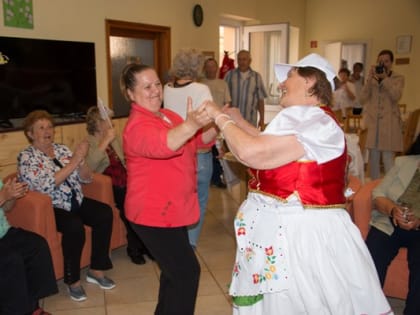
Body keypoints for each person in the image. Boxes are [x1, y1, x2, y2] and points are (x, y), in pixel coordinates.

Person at [203, 53, 392, 314]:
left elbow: (254, 152)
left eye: (289, 76)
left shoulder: (312, 119)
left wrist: (219, 118)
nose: (281, 84)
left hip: (302, 235)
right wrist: (238, 120)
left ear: (310, 81)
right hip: (290, 229)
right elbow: (270, 143)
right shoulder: (314, 119)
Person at [121, 63, 214, 315]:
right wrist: (191, 125)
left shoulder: (168, 116)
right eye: (146, 86)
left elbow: (198, 143)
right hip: (152, 214)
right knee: (186, 273)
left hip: (172, 211)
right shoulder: (136, 126)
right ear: (130, 94)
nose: (154, 91)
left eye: (157, 84)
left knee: (174, 274)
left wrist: (217, 119)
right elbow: (165, 144)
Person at [17, 110, 115, 302]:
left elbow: (86, 179)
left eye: (50, 127)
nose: (48, 131)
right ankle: (73, 281)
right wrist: (75, 161)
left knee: (104, 213)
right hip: (52, 206)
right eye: (41, 128)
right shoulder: (27, 157)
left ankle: (96, 269)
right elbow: (46, 185)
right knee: (74, 226)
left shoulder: (62, 149)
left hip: (75, 199)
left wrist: (81, 163)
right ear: (30, 133)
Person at [163, 48, 218, 248]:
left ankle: (176, 241)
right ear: (198, 67)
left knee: (177, 199)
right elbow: (209, 120)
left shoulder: (166, 88)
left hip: (174, 151)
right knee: (199, 200)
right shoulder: (201, 90)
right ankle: (190, 243)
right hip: (198, 152)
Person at [85, 106, 152, 265]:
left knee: (147, 199)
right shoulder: (89, 142)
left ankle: (146, 245)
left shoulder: (114, 139)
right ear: (98, 123)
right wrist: (106, 141)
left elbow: (126, 158)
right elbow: (90, 167)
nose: (111, 122)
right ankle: (134, 248)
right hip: (109, 184)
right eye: (107, 119)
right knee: (130, 205)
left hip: (124, 179)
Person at [365, 134, 420, 315]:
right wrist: (392, 210)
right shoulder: (404, 162)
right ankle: (370, 310)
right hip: (389, 222)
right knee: (372, 256)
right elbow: (378, 193)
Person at [0, 177, 58, 315]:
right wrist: (2, 196)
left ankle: (32, 307)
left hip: (3, 232)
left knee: (37, 246)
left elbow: (7, 207)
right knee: (11, 259)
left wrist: (12, 196)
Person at [360, 49, 405, 180]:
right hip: (374, 124)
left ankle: (390, 190)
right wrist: (369, 79)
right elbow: (362, 99)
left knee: (388, 160)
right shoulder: (372, 79)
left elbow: (396, 96)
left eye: (386, 61)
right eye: (381, 61)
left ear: (391, 63)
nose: (383, 64)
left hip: (389, 124)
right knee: (373, 161)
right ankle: (373, 191)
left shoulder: (398, 78)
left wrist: (385, 78)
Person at [201, 57, 232, 188]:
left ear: (216, 68)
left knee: (219, 151)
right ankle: (207, 178)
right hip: (204, 123)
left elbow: (228, 103)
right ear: (204, 69)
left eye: (213, 66)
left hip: (219, 123)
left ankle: (218, 177)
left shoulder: (223, 84)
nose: (210, 69)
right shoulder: (200, 84)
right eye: (207, 66)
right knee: (208, 151)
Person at [224, 50, 268, 129]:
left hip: (250, 121)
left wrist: (262, 120)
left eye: (244, 59)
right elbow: (224, 98)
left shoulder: (257, 77)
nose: (242, 62)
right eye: (239, 59)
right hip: (233, 121)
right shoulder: (229, 75)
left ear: (249, 61)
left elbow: (260, 101)